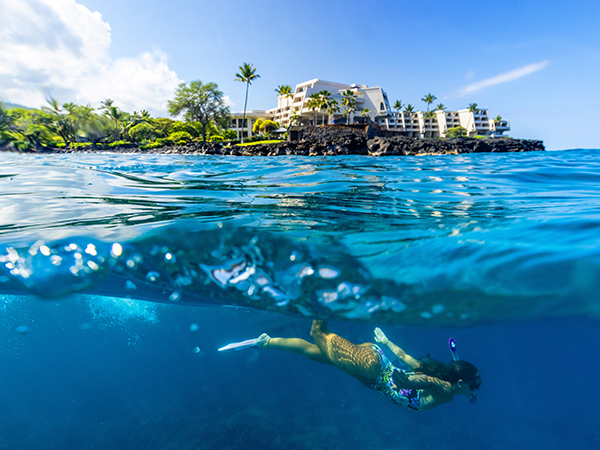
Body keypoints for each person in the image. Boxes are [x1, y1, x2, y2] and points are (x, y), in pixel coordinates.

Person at [219, 320, 482, 412]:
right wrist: (408, 382)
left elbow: (407, 358)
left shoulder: (447, 379)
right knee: (318, 333)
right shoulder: (447, 391)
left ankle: (265, 342)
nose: (476, 390)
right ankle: (324, 287)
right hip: (373, 370)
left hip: (375, 359)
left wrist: (385, 341)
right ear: (461, 383)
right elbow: (427, 382)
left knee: (316, 353)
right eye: (475, 385)